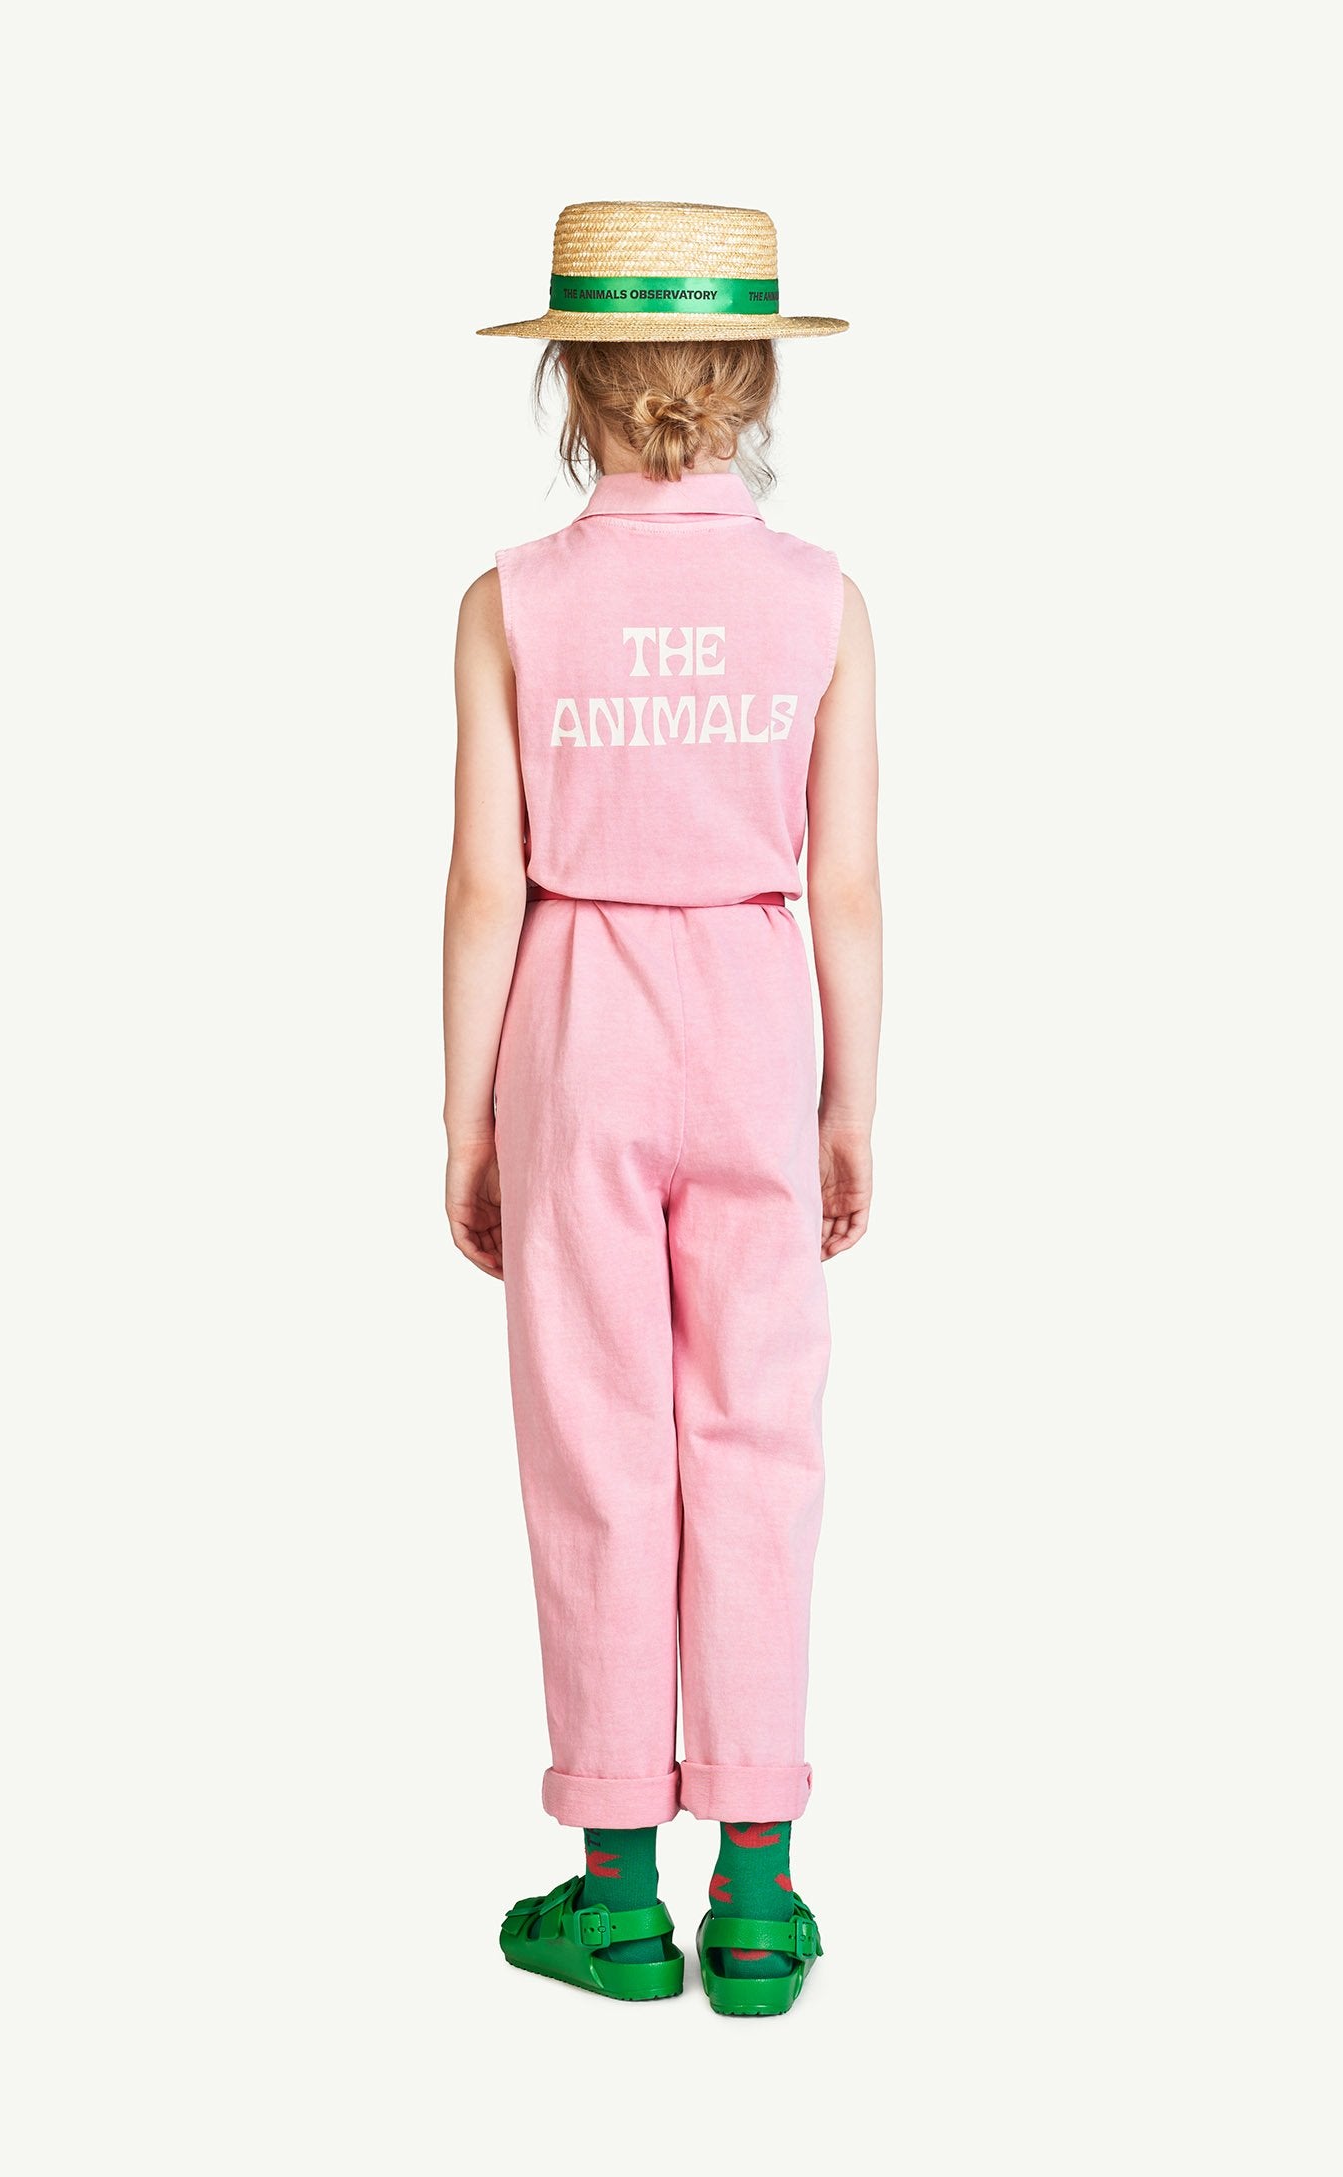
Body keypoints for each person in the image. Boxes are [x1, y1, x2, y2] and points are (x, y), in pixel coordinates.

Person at [444, 201, 880, 2017]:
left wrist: (468, 1116)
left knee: (597, 1440)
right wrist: (851, 1095)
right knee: (758, 1437)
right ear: (756, 384)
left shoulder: (510, 603)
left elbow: (486, 879)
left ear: (570, 388)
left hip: (579, 1014)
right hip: (758, 1010)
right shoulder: (824, 602)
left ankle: (618, 1887)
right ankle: (759, 1893)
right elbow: (845, 878)